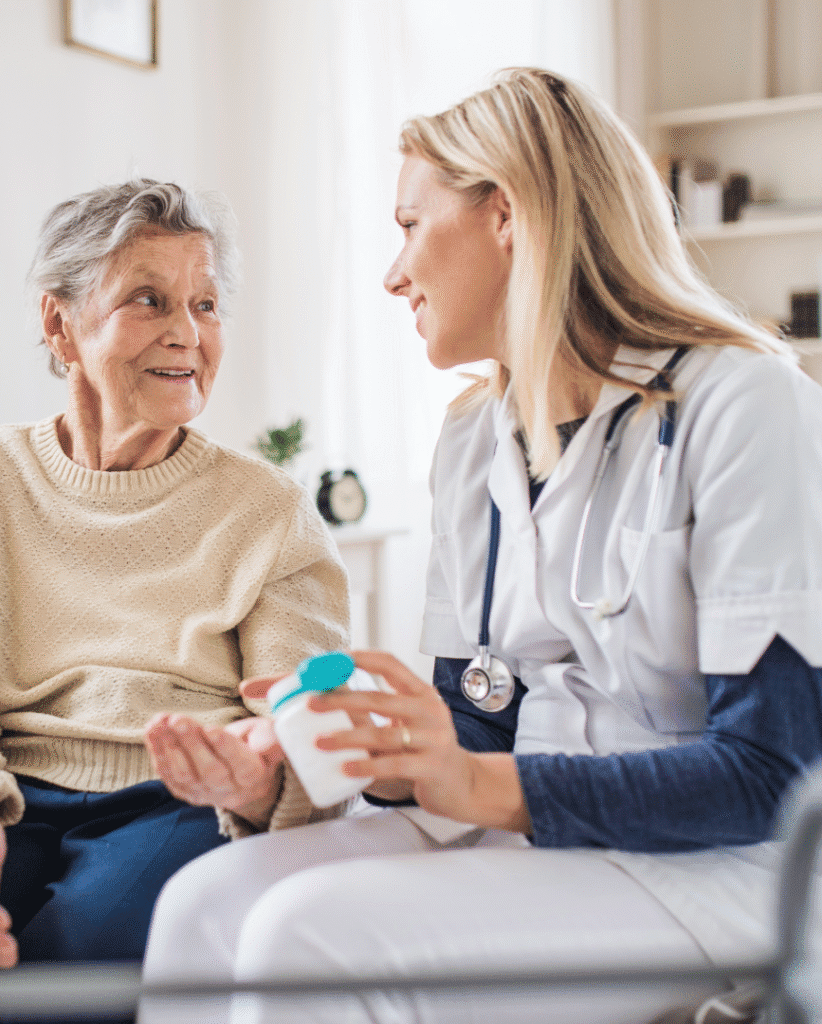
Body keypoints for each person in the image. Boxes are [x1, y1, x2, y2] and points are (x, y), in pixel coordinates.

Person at [140, 68, 822, 1024]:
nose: (392, 271)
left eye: (410, 225)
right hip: (523, 824)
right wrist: (321, 751)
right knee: (206, 904)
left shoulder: (745, 403)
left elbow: (770, 773)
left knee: (311, 937)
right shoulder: (474, 440)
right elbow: (479, 720)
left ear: (506, 213)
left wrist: (474, 781)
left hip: (712, 867)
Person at [0, 178, 349, 1023]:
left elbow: (310, 727)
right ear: (59, 324)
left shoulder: (269, 510)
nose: (187, 333)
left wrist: (258, 773)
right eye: (149, 299)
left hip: (176, 804)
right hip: (7, 791)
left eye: (205, 304)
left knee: (65, 980)